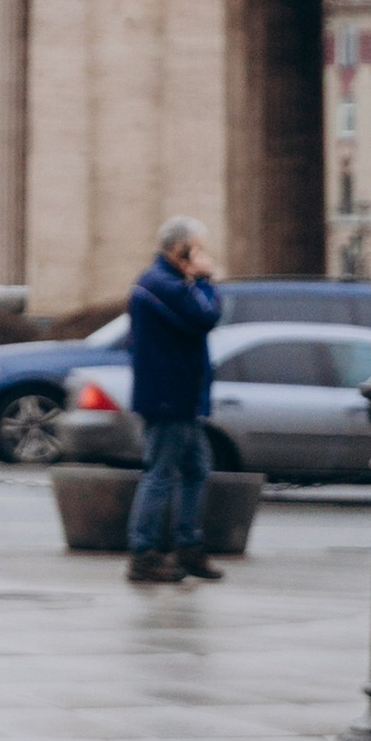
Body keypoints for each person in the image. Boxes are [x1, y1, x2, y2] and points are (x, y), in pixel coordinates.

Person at [126, 214, 224, 586]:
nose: (203, 254)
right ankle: (144, 552)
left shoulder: (165, 282)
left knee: (197, 468)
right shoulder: (161, 284)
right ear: (180, 249)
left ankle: (188, 544)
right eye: (198, 247)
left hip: (180, 395)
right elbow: (206, 316)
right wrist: (205, 279)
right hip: (169, 396)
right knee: (161, 473)